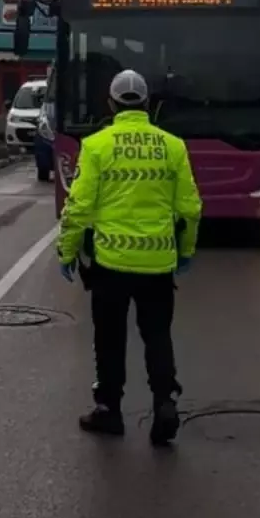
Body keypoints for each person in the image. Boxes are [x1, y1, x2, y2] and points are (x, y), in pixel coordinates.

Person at [57, 68, 202, 445]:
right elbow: (189, 209)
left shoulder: (96, 145)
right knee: (157, 335)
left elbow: (78, 208)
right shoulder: (173, 146)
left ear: (111, 103)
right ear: (149, 104)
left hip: (110, 265)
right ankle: (165, 402)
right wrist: (184, 252)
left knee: (109, 338)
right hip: (157, 264)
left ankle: (109, 411)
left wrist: (68, 252)